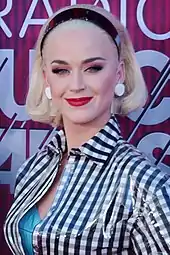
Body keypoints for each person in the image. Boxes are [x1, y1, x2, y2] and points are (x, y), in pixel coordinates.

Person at [4, 4, 170, 255]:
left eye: (93, 68)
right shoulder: (32, 168)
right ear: (47, 79)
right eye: (61, 70)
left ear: (119, 73)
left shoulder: (146, 187)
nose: (77, 84)